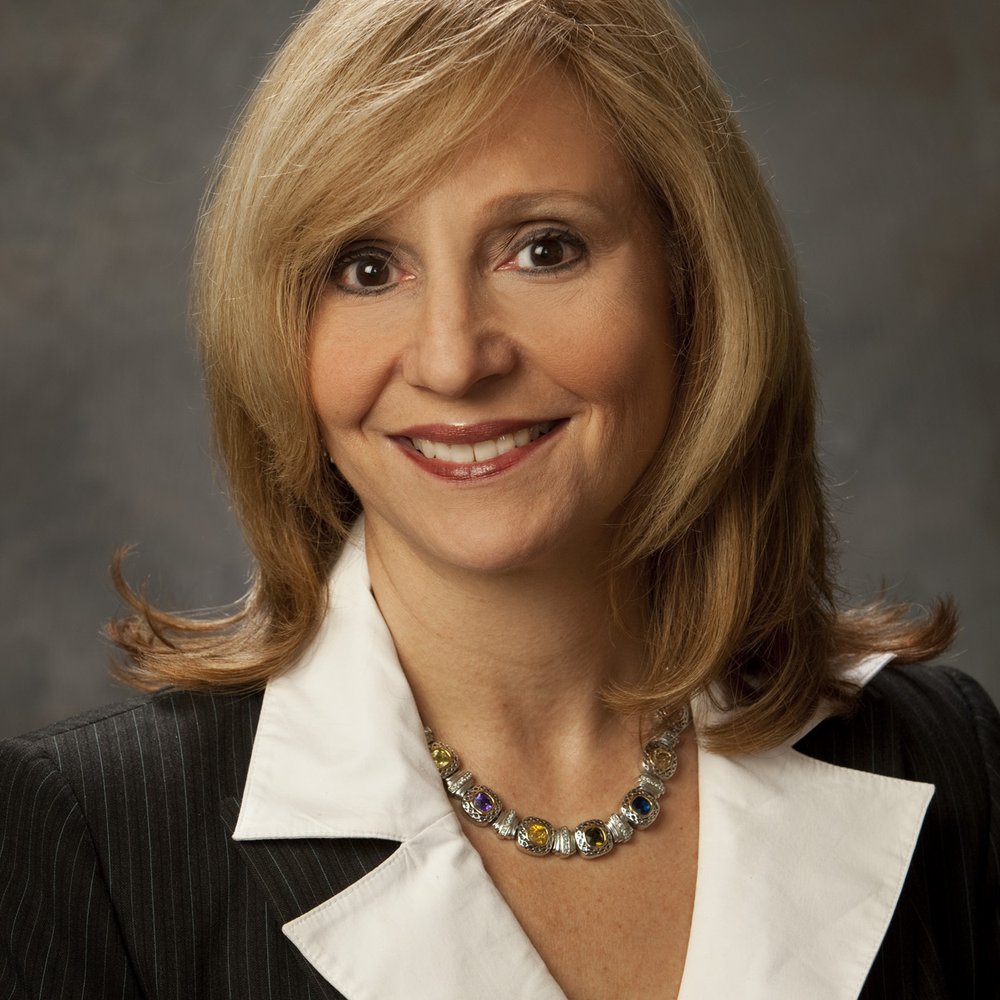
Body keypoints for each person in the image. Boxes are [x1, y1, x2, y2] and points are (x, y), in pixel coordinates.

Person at [1, 0, 996, 997]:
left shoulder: (947, 757)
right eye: (367, 268)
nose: (452, 359)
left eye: (544, 249)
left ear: (693, 284)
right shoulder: (94, 839)